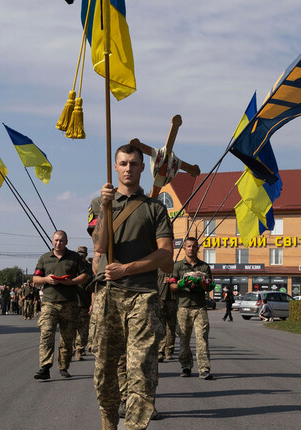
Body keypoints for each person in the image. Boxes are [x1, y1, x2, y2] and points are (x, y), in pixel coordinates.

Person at [90, 142, 174, 430]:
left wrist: (127, 268)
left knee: (141, 371)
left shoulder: (156, 209)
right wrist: (105, 206)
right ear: (115, 167)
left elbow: (165, 256)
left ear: (142, 168)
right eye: (123, 163)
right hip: (108, 296)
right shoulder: (100, 203)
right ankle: (109, 425)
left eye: (134, 163)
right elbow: (100, 245)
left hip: (142, 296)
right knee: (104, 370)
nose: (128, 168)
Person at [32, 229, 90, 380]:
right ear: (52, 241)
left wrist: (71, 282)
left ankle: (63, 366)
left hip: (69, 303)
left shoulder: (74, 257)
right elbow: (35, 279)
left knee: (67, 337)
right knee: (46, 334)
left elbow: (85, 275)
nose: (59, 243)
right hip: (49, 303)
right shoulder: (45, 258)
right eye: (56, 240)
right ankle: (45, 367)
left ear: (66, 242)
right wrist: (46, 279)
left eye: (62, 241)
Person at [171, 236, 214, 380]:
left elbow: (209, 287)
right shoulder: (177, 266)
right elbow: (172, 286)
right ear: (184, 248)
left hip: (200, 307)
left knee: (202, 338)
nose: (191, 249)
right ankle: (186, 366)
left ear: (198, 248)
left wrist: (203, 284)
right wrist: (182, 284)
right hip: (183, 307)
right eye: (189, 246)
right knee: (184, 339)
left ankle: (204, 369)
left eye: (194, 246)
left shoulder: (204, 267)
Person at [74, 246, 92, 360]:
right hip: (72, 302)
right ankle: (72, 348)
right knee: (71, 328)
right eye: (79, 253)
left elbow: (93, 287)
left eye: (82, 254)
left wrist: (92, 303)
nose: (81, 256)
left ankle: (79, 350)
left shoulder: (89, 268)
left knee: (83, 329)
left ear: (86, 255)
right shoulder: (71, 265)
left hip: (85, 302)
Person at [157, 269, 177, 362]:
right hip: (159, 299)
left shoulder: (175, 268)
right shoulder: (156, 267)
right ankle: (159, 351)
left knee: (171, 327)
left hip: (172, 299)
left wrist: (172, 281)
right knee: (160, 327)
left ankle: (169, 351)